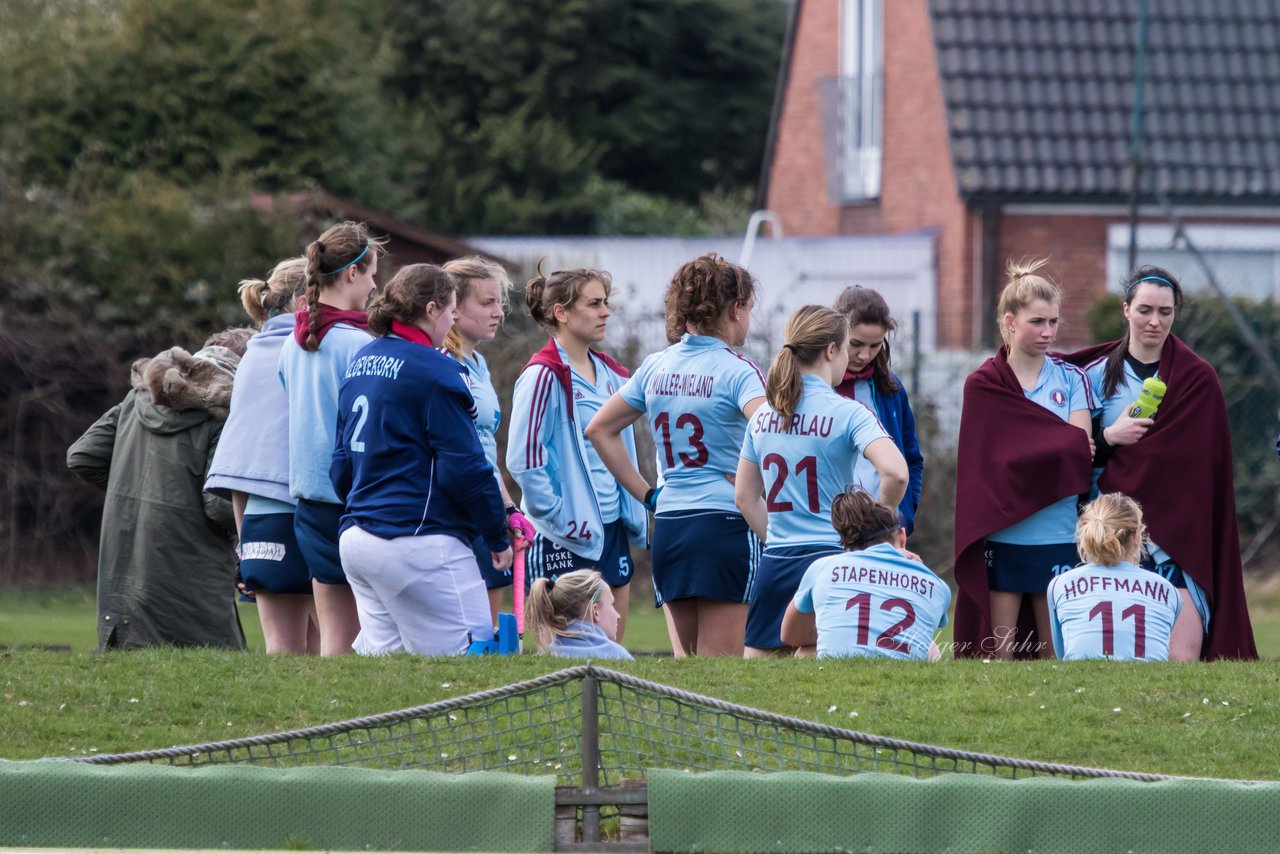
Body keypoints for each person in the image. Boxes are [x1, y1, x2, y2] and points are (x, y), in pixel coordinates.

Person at [1067, 266, 1256, 660]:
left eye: (1165, 312)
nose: (1155, 321)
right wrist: (1108, 438)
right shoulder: (1092, 377)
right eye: (1145, 310)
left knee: (1178, 661)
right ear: (1126, 310)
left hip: (1176, 538)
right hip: (1110, 535)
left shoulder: (1197, 379)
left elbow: (1205, 469)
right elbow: (1072, 459)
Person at [586, 253, 766, 657]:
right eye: (749, 310)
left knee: (688, 677)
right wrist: (753, 483)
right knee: (722, 678)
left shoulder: (656, 365)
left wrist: (648, 496)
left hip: (670, 526)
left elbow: (599, 429)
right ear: (735, 309)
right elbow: (772, 433)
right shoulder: (739, 371)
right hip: (725, 526)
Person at [330, 264, 512, 656]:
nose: (452, 320)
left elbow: (341, 465)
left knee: (390, 674)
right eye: (449, 310)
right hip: (417, 540)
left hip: (358, 538)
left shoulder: (361, 360)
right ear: (432, 309)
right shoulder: (438, 370)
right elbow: (465, 468)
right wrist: (496, 534)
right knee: (471, 661)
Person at [735, 305, 908, 657]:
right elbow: (897, 472)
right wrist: (874, 528)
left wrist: (778, 538)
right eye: (846, 348)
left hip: (776, 562)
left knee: (756, 693)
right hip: (833, 560)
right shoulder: (847, 411)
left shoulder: (765, 414)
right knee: (816, 688)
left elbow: (745, 497)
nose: (849, 358)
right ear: (831, 350)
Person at [67, 330, 253, 649]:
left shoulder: (139, 396)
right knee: (216, 678)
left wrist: (139, 493)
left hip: (123, 585)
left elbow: (82, 456)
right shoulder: (224, 416)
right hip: (192, 583)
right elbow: (219, 506)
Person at [953, 259, 1094, 660]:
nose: (1048, 332)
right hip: (1004, 532)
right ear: (1011, 322)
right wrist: (1056, 448)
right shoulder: (983, 384)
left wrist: (1034, 453)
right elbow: (988, 462)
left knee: (1055, 659)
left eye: (1054, 322)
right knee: (998, 658)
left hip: (1059, 531)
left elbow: (1079, 452)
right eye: (1038, 322)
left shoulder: (1071, 378)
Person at [506, 263, 648, 642]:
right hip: (566, 534)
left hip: (611, 527)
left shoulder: (614, 374)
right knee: (569, 654)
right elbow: (523, 459)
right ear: (561, 313)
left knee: (611, 655)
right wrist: (560, 518)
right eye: (594, 303)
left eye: (606, 302)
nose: (606, 312)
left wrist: (632, 511)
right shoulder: (542, 375)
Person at [278, 221, 384, 656]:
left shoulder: (294, 342)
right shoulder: (360, 344)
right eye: (373, 272)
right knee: (366, 635)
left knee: (334, 638)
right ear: (352, 273)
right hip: (352, 499)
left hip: (309, 500)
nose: (377, 284)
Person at [205, 257, 319, 654]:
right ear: (305, 301)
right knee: (334, 648)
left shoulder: (252, 354)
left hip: (259, 522)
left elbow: (240, 461)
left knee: (282, 650)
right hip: (311, 515)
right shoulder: (311, 350)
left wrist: (244, 542)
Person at [440, 256, 536, 625]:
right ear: (454, 307)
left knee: (489, 630)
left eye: (499, 302)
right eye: (486, 303)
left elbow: (485, 449)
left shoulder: (477, 363)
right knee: (463, 632)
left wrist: (509, 508)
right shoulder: (442, 363)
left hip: (486, 503)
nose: (498, 312)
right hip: (456, 511)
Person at [781, 487, 950, 659]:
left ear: (848, 542)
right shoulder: (937, 585)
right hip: (906, 678)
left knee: (803, 653)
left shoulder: (823, 567)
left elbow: (790, 636)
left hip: (838, 673)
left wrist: (839, 628)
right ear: (902, 536)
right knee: (931, 648)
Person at [832, 286, 924, 535]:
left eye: (875, 346)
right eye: (856, 344)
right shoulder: (816, 390)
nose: (865, 355)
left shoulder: (891, 389)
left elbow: (912, 459)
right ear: (835, 335)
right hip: (829, 532)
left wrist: (903, 514)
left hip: (883, 533)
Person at [1048, 493, 1180, 661]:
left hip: (1082, 681)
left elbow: (1063, 654)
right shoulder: (1169, 590)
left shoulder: (1060, 584)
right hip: (1148, 685)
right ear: (1136, 537)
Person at [525, 569, 633, 660]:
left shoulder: (544, 657)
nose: (618, 615)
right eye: (612, 604)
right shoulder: (617, 655)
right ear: (595, 611)